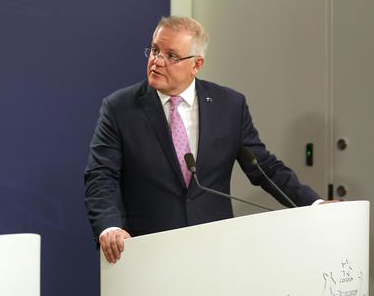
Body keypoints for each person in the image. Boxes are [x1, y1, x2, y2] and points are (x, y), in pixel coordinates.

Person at [84, 16, 323, 263]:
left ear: (197, 65)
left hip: (214, 249)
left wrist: (313, 204)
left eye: (171, 56)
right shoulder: (119, 108)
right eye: (155, 50)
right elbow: (101, 175)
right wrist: (109, 227)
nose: (157, 61)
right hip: (146, 251)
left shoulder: (229, 106)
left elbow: (264, 168)